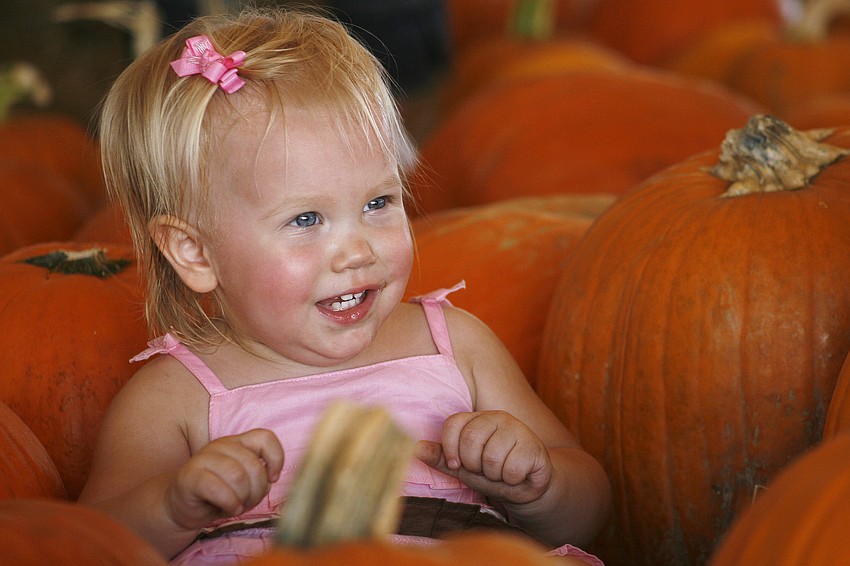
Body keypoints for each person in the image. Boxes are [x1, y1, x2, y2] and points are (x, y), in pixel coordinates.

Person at [79, 7, 611, 564]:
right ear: (196, 252)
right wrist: (172, 506)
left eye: (378, 203)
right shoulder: (178, 395)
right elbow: (88, 543)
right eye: (306, 220)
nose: (358, 251)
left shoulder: (453, 345)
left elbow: (593, 506)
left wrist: (538, 482)